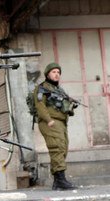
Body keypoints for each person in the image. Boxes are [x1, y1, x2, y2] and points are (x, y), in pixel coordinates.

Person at [33, 62, 77, 190]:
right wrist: (48, 120)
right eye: (54, 72)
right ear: (47, 74)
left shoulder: (58, 90)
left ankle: (57, 181)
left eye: (58, 72)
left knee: (63, 148)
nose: (56, 74)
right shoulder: (42, 88)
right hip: (50, 122)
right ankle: (61, 180)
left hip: (61, 123)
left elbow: (63, 106)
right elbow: (40, 105)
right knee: (57, 148)